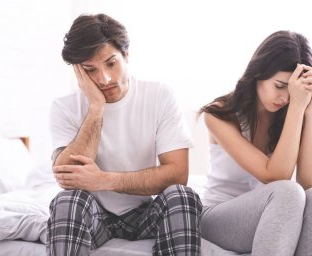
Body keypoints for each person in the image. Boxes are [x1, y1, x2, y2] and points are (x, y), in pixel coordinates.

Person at [46, 13, 202, 256]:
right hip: (94, 214)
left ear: (126, 56)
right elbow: (67, 177)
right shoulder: (64, 107)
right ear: (78, 71)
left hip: (144, 213)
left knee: (182, 196)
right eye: (90, 70)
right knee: (68, 201)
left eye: (111, 63)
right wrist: (96, 108)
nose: (104, 79)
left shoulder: (159, 96)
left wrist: (104, 180)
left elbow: (178, 174)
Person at [198, 31, 312, 255]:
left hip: (276, 215)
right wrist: (296, 109)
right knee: (287, 191)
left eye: (292, 91)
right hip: (218, 217)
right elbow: (275, 176)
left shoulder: (301, 111)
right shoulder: (220, 114)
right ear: (259, 74)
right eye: (280, 86)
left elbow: (310, 183)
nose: (285, 98)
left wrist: (309, 113)